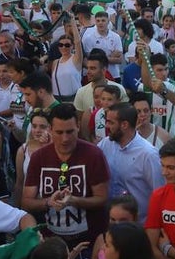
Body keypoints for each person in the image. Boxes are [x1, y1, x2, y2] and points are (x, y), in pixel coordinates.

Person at [22, 103, 110, 250]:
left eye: (70, 132)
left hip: (88, 242)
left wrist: (74, 200)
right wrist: (48, 202)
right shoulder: (39, 157)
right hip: (52, 243)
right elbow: (26, 201)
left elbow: (102, 198)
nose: (65, 139)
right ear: (50, 129)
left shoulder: (94, 155)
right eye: (59, 132)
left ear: (78, 127)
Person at [99, 104, 162, 223]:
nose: (107, 126)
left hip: (138, 227)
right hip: (110, 222)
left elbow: (159, 194)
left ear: (124, 125)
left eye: (111, 122)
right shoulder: (106, 144)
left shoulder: (148, 154)